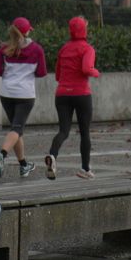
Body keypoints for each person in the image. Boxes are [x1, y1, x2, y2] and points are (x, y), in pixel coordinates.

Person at [0, 16, 47, 179]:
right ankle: (2, 154)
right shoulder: (36, 49)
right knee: (17, 128)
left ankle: (23, 165)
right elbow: (42, 72)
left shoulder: (5, 49)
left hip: (6, 93)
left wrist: (7, 74)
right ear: (28, 31)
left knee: (17, 130)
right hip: (25, 94)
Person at [44, 16, 101, 180]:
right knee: (84, 132)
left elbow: (57, 75)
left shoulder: (63, 49)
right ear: (84, 30)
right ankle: (85, 169)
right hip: (81, 94)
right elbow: (86, 68)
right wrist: (95, 72)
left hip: (62, 94)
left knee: (63, 131)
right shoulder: (88, 49)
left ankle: (53, 156)